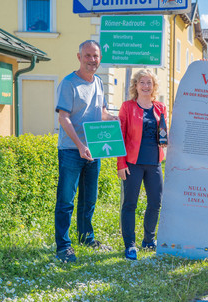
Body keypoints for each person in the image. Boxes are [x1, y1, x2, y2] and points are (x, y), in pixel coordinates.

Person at [55, 40, 117, 262]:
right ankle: (63, 247)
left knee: (89, 199)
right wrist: (80, 145)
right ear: (79, 57)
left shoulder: (99, 82)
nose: (93, 60)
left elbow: (102, 113)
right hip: (72, 150)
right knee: (66, 200)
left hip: (95, 150)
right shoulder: (69, 83)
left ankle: (85, 237)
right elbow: (64, 117)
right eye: (88, 56)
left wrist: (119, 120)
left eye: (96, 56)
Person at [117, 69, 167, 260]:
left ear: (154, 86)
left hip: (154, 162)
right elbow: (120, 136)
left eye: (149, 83)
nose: (146, 86)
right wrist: (121, 163)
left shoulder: (160, 107)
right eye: (142, 82)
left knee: (155, 202)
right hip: (132, 162)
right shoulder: (127, 107)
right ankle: (130, 245)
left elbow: (164, 133)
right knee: (130, 204)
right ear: (136, 85)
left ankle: (148, 240)